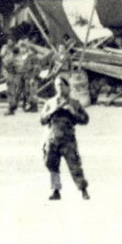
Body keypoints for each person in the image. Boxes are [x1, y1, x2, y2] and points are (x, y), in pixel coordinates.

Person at [41, 73, 90, 201]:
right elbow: (42, 120)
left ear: (68, 87)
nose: (59, 88)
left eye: (62, 85)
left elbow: (85, 119)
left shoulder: (74, 103)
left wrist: (73, 113)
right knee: (52, 165)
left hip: (68, 140)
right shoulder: (50, 102)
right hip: (53, 139)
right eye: (57, 86)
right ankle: (55, 190)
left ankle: (83, 190)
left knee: (75, 166)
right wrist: (51, 111)